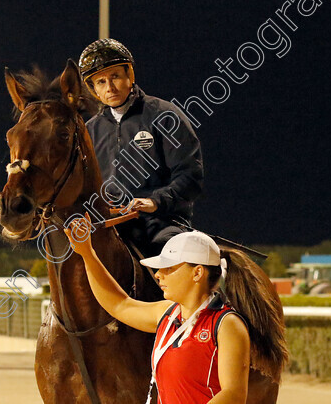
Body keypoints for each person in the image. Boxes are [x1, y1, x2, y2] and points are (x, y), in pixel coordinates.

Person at [64, 217, 250, 404]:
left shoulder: (227, 325)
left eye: (169, 268)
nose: (158, 274)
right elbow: (119, 304)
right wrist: (87, 253)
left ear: (197, 273)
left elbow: (233, 394)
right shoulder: (168, 314)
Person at [78, 39, 204, 256]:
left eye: (115, 76)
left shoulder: (165, 115)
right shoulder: (88, 131)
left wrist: (155, 202)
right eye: (100, 82)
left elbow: (190, 175)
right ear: (93, 89)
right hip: (109, 224)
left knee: (174, 257)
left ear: (130, 75)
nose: (109, 87)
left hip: (161, 222)